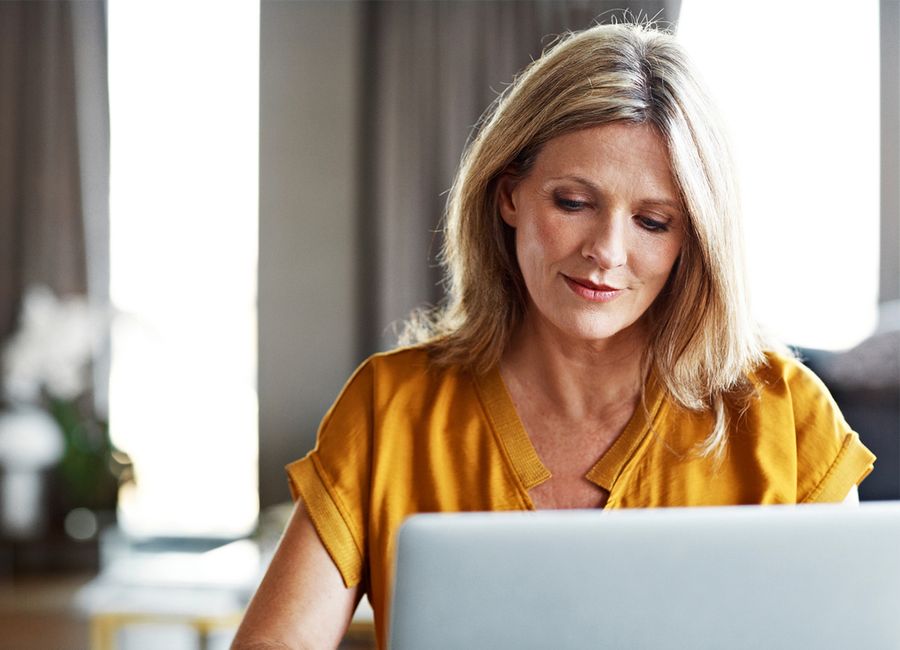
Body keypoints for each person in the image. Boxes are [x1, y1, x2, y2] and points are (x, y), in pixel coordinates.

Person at [232, 21, 875, 650]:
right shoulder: (390, 410)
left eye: (653, 222)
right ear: (510, 195)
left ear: (694, 239)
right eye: (572, 203)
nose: (606, 251)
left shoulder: (786, 418)